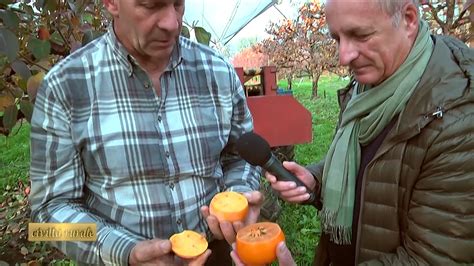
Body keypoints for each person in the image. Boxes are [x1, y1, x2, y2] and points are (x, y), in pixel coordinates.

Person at [29, 0, 263, 265]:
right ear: (111, 3)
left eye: (178, 4)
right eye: (151, 6)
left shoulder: (218, 72)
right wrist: (123, 251)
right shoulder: (64, 87)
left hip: (214, 254)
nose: (172, 23)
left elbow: (241, 156)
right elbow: (47, 214)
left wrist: (239, 193)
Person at [262, 0, 474, 265]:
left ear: (408, 19)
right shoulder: (368, 87)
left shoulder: (457, 121)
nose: (343, 56)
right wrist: (317, 180)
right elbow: (367, 162)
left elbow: (431, 259)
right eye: (337, 37)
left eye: (360, 35)